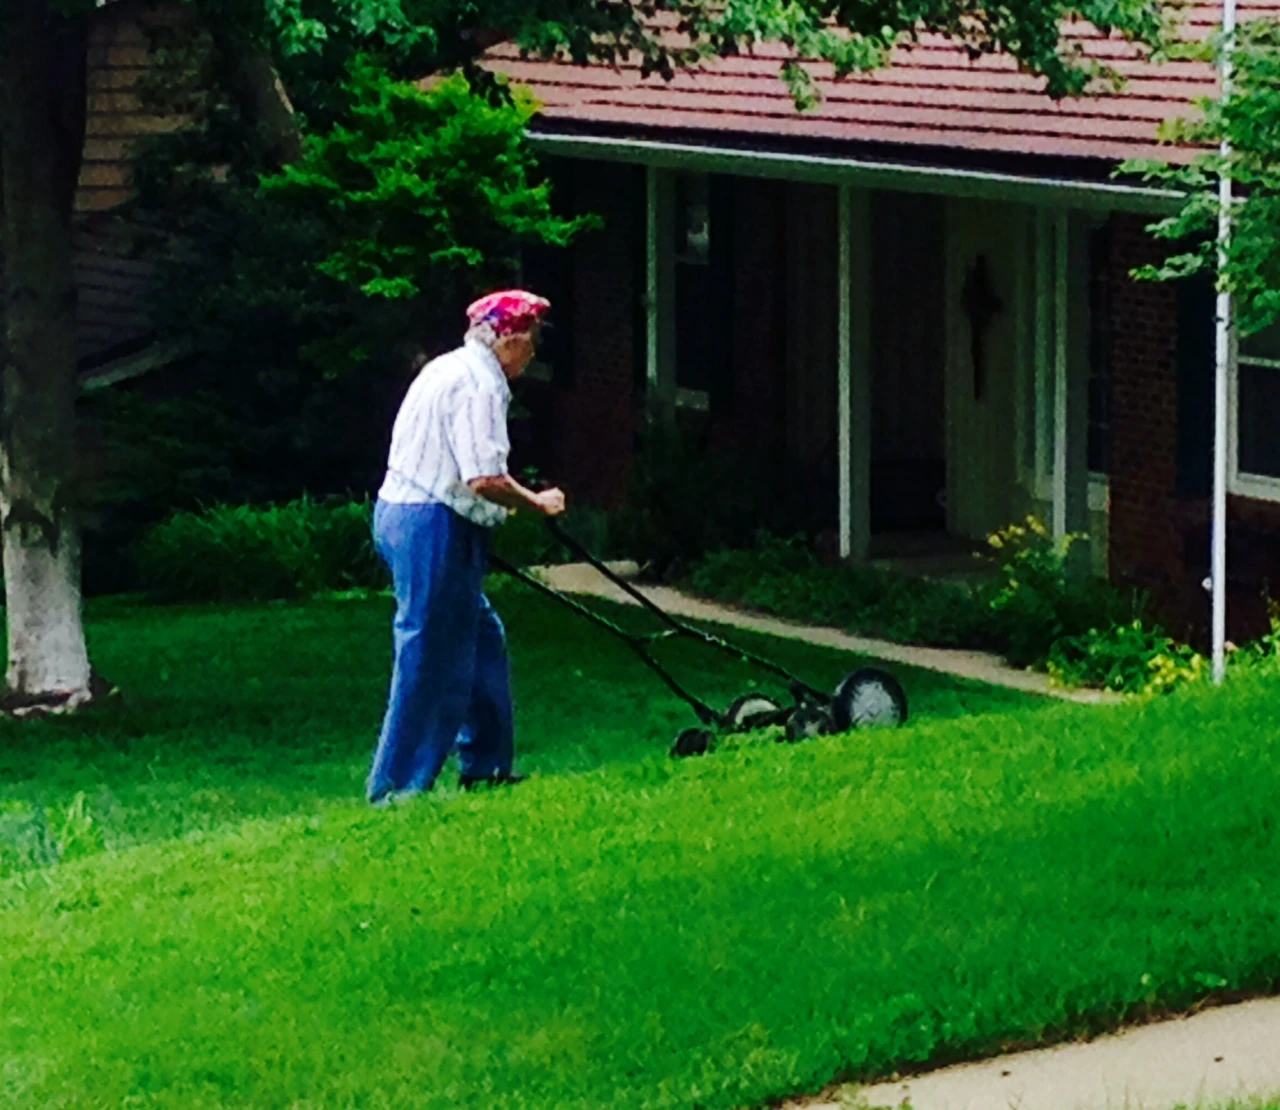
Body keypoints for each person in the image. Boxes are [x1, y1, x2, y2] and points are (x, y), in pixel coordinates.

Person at [367, 289, 566, 805]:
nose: (535, 352)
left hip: (407, 514)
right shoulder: (480, 384)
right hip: (431, 524)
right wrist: (537, 503)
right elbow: (483, 478)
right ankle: (396, 790)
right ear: (511, 337)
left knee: (480, 641)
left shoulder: (445, 369)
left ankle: (486, 767)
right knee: (432, 657)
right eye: (534, 340)